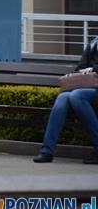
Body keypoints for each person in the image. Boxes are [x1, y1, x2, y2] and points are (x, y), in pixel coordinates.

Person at [33, 36, 98, 164]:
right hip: (86, 86)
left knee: (76, 96)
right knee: (63, 97)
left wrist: (92, 69)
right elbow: (80, 67)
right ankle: (47, 151)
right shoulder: (93, 42)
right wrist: (85, 70)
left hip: (94, 89)